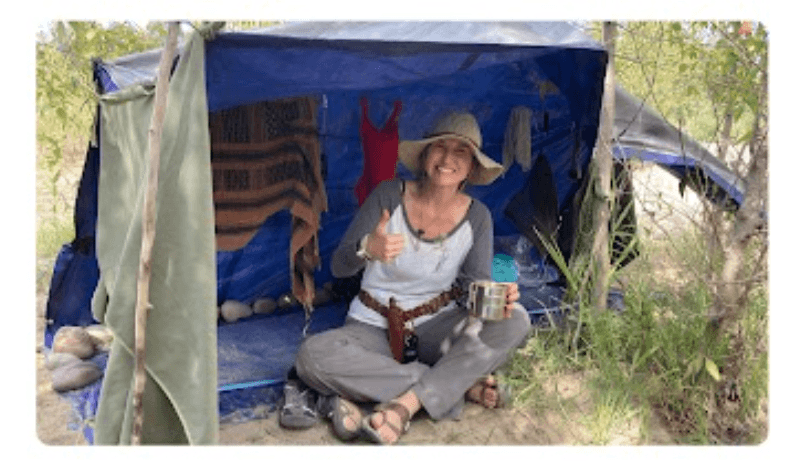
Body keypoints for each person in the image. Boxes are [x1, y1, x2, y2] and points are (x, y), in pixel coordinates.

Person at [294, 111, 531, 444]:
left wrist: (496, 298)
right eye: (440, 148)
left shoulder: (478, 217)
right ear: (424, 156)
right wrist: (367, 248)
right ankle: (451, 385)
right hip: (372, 325)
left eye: (460, 152)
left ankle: (407, 403)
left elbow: (472, 288)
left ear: (472, 166)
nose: (448, 158)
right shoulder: (389, 195)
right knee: (312, 358)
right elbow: (338, 267)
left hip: (436, 326)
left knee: (516, 321)